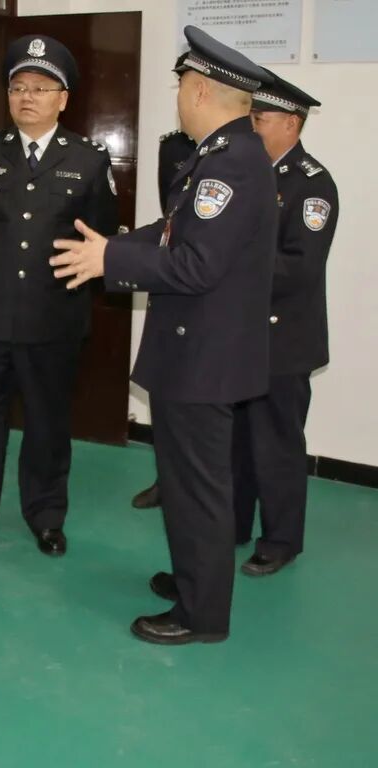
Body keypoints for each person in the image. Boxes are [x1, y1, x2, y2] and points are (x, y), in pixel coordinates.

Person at [51, 26, 277, 644]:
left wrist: (110, 261)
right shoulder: (217, 155)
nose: (177, 98)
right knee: (184, 482)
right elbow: (175, 230)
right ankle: (193, 578)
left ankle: (202, 616)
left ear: (200, 90)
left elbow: (197, 265)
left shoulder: (232, 164)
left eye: (181, 87)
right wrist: (113, 247)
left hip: (205, 357)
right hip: (194, 350)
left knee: (199, 488)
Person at [0, 35, 118, 555]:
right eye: (18, 88)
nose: (27, 97)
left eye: (40, 88)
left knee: (48, 424)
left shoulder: (89, 158)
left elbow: (100, 237)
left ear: (63, 99)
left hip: (54, 316)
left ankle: (47, 517)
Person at [233, 71, 339, 575]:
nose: (251, 127)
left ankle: (280, 540)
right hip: (239, 335)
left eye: (260, 119)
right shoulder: (245, 174)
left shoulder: (313, 185)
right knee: (235, 441)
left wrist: (229, 266)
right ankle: (233, 524)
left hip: (283, 339)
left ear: (291, 124)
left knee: (276, 444)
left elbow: (299, 266)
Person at [130, 127, 196, 511]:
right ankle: (166, 480)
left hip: (212, 289)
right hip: (172, 284)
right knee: (165, 392)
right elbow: (170, 220)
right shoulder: (174, 146)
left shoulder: (242, 152)